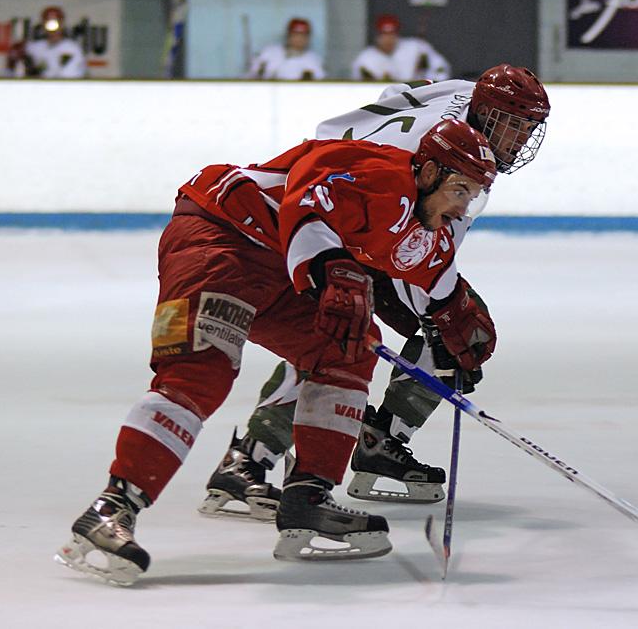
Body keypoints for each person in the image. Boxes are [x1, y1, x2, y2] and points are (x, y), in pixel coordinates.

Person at [55, 118, 499, 586]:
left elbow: (439, 284)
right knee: (200, 373)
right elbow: (304, 203)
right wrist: (331, 267)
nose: (462, 205)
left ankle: (307, 501)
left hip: (277, 266)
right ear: (428, 172)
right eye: (459, 188)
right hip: (220, 234)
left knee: (348, 350)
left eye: (473, 195)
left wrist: (455, 324)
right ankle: (111, 509)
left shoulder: (427, 226)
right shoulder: (381, 172)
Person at [199, 64, 549, 520]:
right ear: (485, 112)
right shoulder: (436, 154)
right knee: (349, 330)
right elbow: (424, 245)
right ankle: (251, 456)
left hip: (361, 203)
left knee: (451, 332)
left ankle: (371, 441)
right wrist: (442, 314)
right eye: (511, 124)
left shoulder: (467, 104)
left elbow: (405, 91)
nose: (518, 139)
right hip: (338, 217)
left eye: (527, 129)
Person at [351, 14, 450, 82]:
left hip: (418, 98)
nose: (388, 39)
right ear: (377, 36)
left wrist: (427, 83)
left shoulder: (417, 47)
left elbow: (441, 69)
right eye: (384, 35)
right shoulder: (364, 59)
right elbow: (359, 87)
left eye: (392, 34)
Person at [6, 6, 87, 78]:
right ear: (42, 23)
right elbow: (12, 70)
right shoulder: (34, 48)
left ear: (62, 23)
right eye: (47, 20)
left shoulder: (72, 49)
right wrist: (12, 62)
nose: (51, 25)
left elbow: (68, 77)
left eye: (55, 21)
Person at [247, 17, 325, 80]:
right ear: (288, 35)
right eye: (295, 35)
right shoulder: (270, 52)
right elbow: (252, 75)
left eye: (303, 36)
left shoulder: (313, 60)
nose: (298, 39)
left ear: (308, 38)